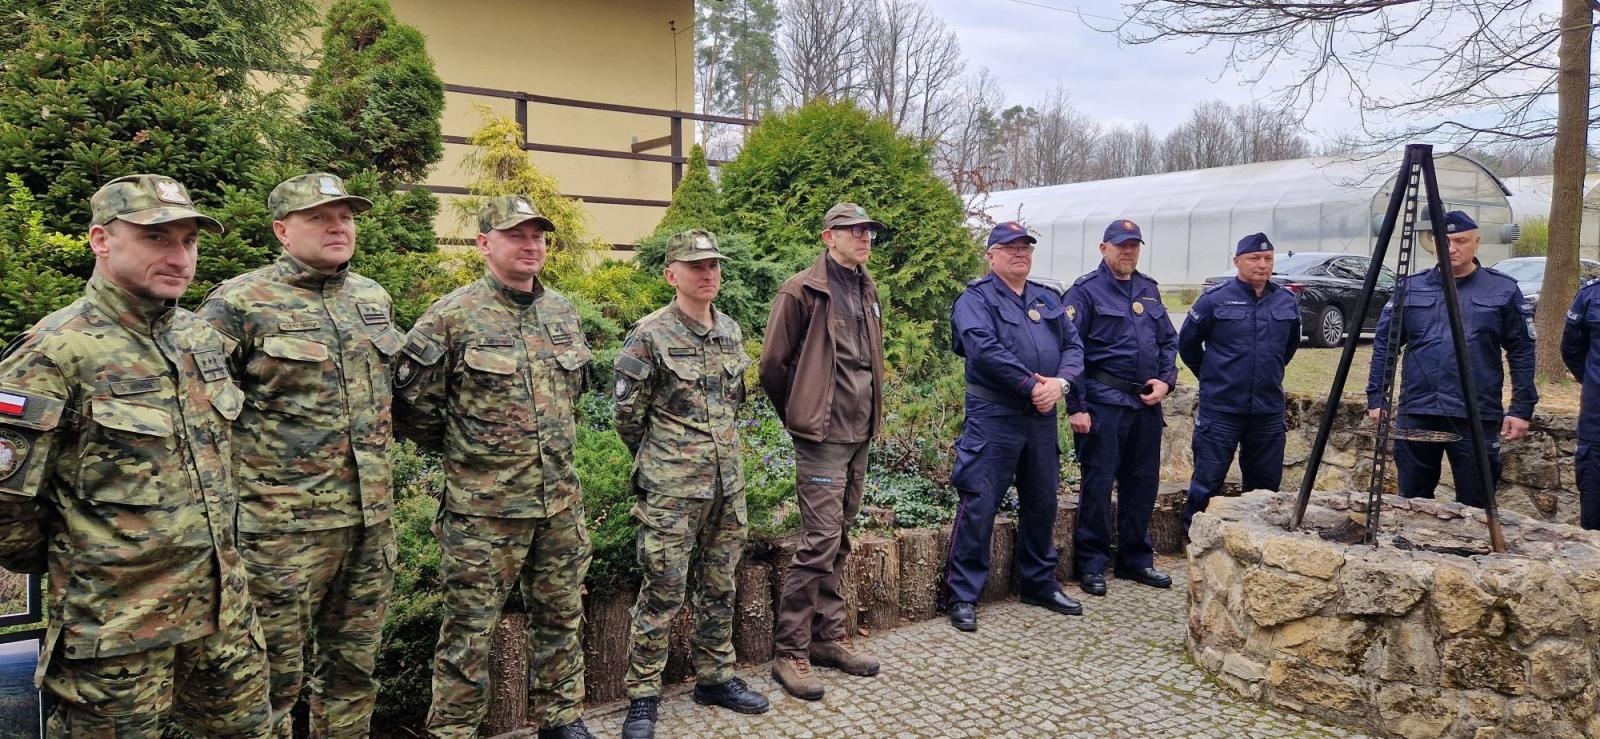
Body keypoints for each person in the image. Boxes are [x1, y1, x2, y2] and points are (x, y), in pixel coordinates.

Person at [0, 174, 271, 735]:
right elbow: (7, 509)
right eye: (156, 238)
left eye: (189, 241)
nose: (179, 256)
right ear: (101, 239)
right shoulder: (54, 351)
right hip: (116, 629)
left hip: (223, 617)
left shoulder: (201, 341)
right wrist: (86, 558)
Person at [198, 172, 401, 737]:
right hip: (279, 532)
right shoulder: (237, 303)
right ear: (282, 231)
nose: (338, 227)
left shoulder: (371, 298)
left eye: (346, 217)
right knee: (271, 680)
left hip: (369, 523)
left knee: (354, 671)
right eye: (319, 218)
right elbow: (202, 418)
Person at [394, 195, 595, 739]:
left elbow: (572, 397)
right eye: (516, 235)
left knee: (561, 618)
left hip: (558, 503)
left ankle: (562, 719)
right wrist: (474, 455)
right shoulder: (450, 317)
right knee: (468, 633)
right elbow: (412, 408)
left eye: (538, 236)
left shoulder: (562, 313)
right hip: (484, 512)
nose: (531, 245)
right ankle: (454, 731)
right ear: (484, 243)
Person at [614, 230, 770, 738]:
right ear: (671, 274)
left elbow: (733, 404)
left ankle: (716, 678)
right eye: (696, 266)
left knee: (720, 585)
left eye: (714, 265)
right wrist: (665, 462)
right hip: (673, 489)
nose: (708, 274)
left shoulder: (730, 330)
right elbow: (627, 417)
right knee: (662, 589)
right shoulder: (649, 335)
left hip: (727, 484)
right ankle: (643, 695)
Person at [758, 202, 887, 701]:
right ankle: (789, 651)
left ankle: (827, 637)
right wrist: (802, 414)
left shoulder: (867, 287)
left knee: (840, 537)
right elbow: (772, 366)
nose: (864, 237)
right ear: (827, 237)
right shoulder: (801, 291)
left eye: (868, 231)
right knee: (819, 541)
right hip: (822, 438)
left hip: (859, 434)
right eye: (853, 231)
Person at [944, 221, 1086, 632]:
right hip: (994, 417)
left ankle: (1039, 583)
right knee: (980, 503)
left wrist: (1060, 384)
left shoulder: (1047, 298)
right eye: (1010, 247)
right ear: (991, 255)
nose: (1020, 252)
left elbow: (1074, 347)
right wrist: (1031, 386)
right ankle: (963, 594)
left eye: (1026, 246)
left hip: (1040, 418)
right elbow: (984, 350)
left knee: (1042, 502)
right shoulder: (975, 300)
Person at [1365, 211, 1536, 508]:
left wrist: (1521, 408)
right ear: (1432, 244)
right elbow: (1386, 344)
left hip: (1475, 413)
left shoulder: (1502, 289)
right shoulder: (1411, 287)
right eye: (1444, 241)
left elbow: (1521, 349)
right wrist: (1377, 396)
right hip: (1419, 409)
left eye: (1461, 241)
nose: (1452, 249)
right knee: (1412, 502)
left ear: (1477, 242)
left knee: (1477, 503)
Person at [1063, 219, 1177, 597]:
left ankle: (1135, 559)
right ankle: (1092, 563)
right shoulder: (1084, 292)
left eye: (1134, 246)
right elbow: (1071, 351)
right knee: (1098, 484)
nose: (1128, 252)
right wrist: (1076, 406)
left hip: (1145, 404)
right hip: (1103, 403)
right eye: (1121, 245)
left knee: (1142, 483)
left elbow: (1168, 343)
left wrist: (1166, 380)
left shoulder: (1149, 289)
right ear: (1104, 248)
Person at [1177, 233, 1301, 531]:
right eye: (1254, 258)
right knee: (1207, 482)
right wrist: (1212, 377)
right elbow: (1188, 344)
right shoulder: (1214, 300)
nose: (1262, 264)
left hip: (1267, 411)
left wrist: (1264, 375)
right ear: (1237, 262)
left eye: (1268, 258)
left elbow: (1288, 348)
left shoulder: (1285, 301)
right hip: (1221, 410)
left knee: (1265, 489)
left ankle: (1255, 542)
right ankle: (1192, 538)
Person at [1561, 275, 1600, 530]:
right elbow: (1571, 349)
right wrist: (1593, 383)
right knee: (1594, 516)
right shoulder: (1591, 295)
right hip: (1596, 427)